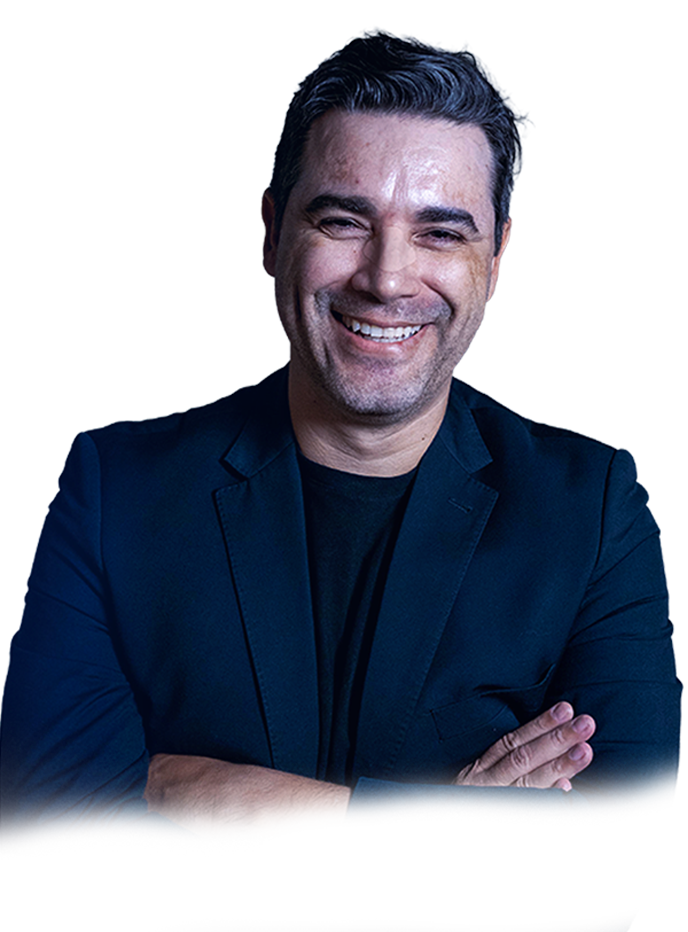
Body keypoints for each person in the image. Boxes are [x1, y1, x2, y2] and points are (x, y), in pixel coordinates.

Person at [0, 27, 681, 932]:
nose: (387, 278)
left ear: (493, 263)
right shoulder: (112, 489)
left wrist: (257, 807)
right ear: (270, 234)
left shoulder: (590, 509)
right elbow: (59, 865)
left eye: (441, 232)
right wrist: (463, 840)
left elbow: (622, 861)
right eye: (343, 221)